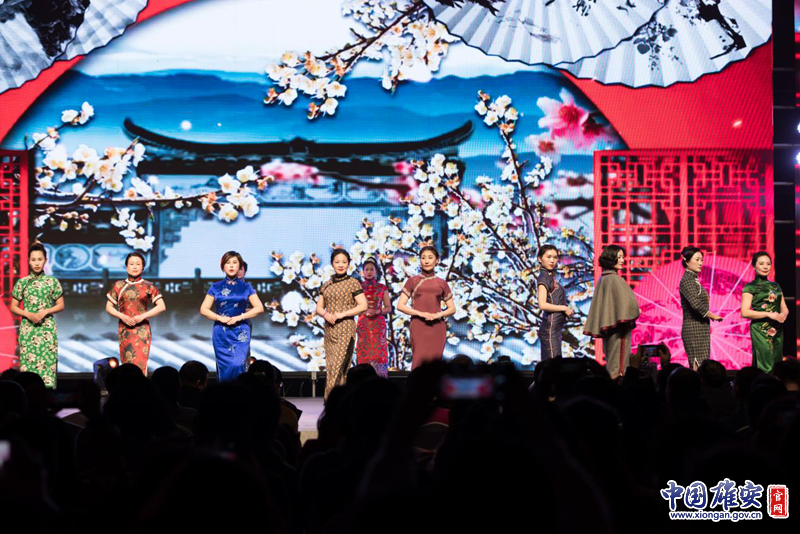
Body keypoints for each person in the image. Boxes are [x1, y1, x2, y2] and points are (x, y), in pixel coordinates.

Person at [200, 251, 264, 381]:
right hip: (221, 331)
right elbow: (203, 309)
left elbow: (259, 308)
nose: (231, 265)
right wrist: (220, 318)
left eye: (235, 262)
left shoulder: (246, 287)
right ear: (222, 266)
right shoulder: (215, 287)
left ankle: (240, 391)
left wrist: (240, 317)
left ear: (240, 266)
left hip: (240, 331)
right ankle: (224, 392)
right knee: (224, 366)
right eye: (228, 263)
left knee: (238, 364)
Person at [10, 243, 65, 388]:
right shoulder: (22, 282)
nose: (36, 263)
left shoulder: (52, 281)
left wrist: (45, 311)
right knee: (28, 368)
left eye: (40, 259)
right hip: (28, 329)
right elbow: (13, 306)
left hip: (46, 328)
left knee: (48, 365)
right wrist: (26, 313)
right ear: (28, 261)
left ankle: (48, 396)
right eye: (33, 260)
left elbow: (61, 305)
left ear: (45, 260)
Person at [316, 248, 368, 399]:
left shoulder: (353, 283)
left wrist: (342, 314)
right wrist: (326, 314)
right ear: (332, 263)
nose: (340, 265)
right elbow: (319, 307)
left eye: (344, 262)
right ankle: (341, 401)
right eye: (337, 262)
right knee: (332, 367)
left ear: (349, 264)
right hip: (330, 330)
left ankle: (330, 400)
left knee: (339, 366)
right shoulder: (326, 284)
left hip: (345, 329)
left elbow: (363, 305)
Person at [584, 245, 640, 379]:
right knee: (619, 367)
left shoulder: (604, 278)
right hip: (619, 331)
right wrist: (637, 310)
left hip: (610, 329)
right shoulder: (615, 279)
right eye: (619, 257)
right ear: (610, 258)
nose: (622, 260)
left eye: (622, 257)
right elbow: (629, 305)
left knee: (612, 362)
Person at [396, 244, 456, 369]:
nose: (426, 261)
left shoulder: (442, 283)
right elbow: (400, 305)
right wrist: (421, 313)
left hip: (437, 327)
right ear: (420, 260)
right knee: (419, 361)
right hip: (419, 326)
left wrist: (438, 315)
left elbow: (452, 309)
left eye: (430, 257)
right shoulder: (412, 281)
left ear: (437, 261)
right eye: (423, 258)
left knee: (435, 364)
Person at [105, 252, 165, 373]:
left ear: (143, 267)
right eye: (131, 264)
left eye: (138, 264)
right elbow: (109, 307)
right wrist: (121, 316)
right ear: (126, 267)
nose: (135, 267)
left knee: (140, 363)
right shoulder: (119, 285)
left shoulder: (148, 286)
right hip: (125, 329)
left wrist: (143, 316)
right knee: (126, 364)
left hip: (141, 330)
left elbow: (161, 306)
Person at [741, 251, 788, 373]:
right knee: (765, 363)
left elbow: (784, 307)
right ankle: (764, 382)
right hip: (760, 329)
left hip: (776, 328)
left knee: (777, 361)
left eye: (768, 263)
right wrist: (768, 314)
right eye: (761, 264)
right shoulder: (750, 287)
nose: (765, 266)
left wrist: (784, 314)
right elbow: (745, 312)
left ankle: (774, 383)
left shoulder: (776, 286)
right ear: (754, 266)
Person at [678, 247, 723, 369]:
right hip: (694, 328)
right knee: (697, 365)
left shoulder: (693, 279)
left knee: (702, 365)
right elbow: (696, 304)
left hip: (701, 327)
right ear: (687, 261)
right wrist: (713, 316)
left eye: (701, 260)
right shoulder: (687, 281)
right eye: (697, 259)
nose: (700, 263)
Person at [355, 258, 392, 377]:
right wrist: (364, 311)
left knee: (378, 354)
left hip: (378, 324)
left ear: (376, 271)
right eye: (366, 269)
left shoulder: (382, 287)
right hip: (363, 324)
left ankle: (380, 382)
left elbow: (389, 308)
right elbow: (353, 307)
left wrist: (377, 311)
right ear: (363, 272)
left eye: (372, 269)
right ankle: (362, 382)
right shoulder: (358, 288)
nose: (369, 272)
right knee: (364, 353)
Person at [536, 245, 573, 360]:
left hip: (554, 330)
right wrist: (564, 308)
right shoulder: (544, 278)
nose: (552, 260)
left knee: (552, 365)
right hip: (550, 330)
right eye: (548, 257)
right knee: (554, 366)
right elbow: (542, 304)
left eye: (555, 257)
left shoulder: (550, 276)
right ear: (539, 259)